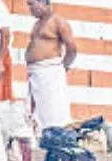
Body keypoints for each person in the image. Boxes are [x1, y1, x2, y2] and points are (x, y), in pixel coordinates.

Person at [25, 0, 76, 129]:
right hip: (36, 73)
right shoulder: (36, 24)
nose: (29, 8)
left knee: (53, 111)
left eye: (31, 4)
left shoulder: (58, 22)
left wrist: (61, 68)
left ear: (42, 2)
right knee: (38, 112)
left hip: (51, 72)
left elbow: (72, 49)